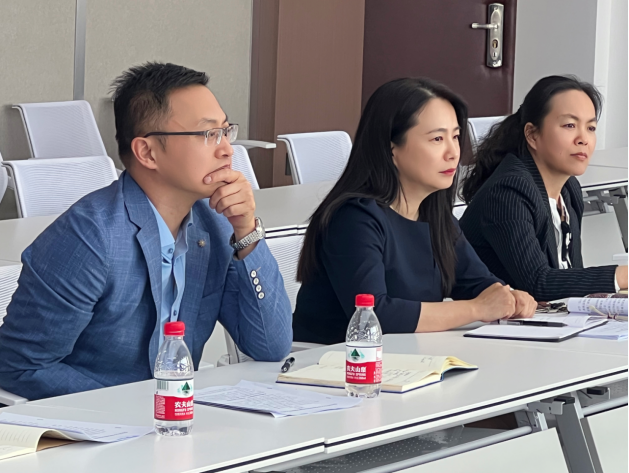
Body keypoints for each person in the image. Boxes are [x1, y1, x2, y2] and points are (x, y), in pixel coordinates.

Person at [0, 63, 293, 401]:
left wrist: (246, 232)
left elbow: (270, 346)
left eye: (226, 131)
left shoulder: (215, 224)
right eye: (208, 134)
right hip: (95, 422)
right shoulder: (90, 237)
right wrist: (139, 407)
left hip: (176, 420)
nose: (226, 148)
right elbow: (18, 366)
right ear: (147, 152)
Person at [292, 78, 536, 345]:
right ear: (391, 148)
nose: (453, 153)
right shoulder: (354, 218)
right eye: (437, 139)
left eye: (455, 137)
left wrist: (508, 297)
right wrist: (477, 309)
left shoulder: (435, 216)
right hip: (334, 361)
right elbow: (375, 315)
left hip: (407, 359)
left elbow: (477, 282)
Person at [460, 75, 628, 302]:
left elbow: (570, 274)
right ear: (532, 134)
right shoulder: (507, 190)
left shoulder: (569, 188)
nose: (584, 139)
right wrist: (623, 275)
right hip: (489, 322)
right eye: (569, 125)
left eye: (591, 128)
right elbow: (538, 283)